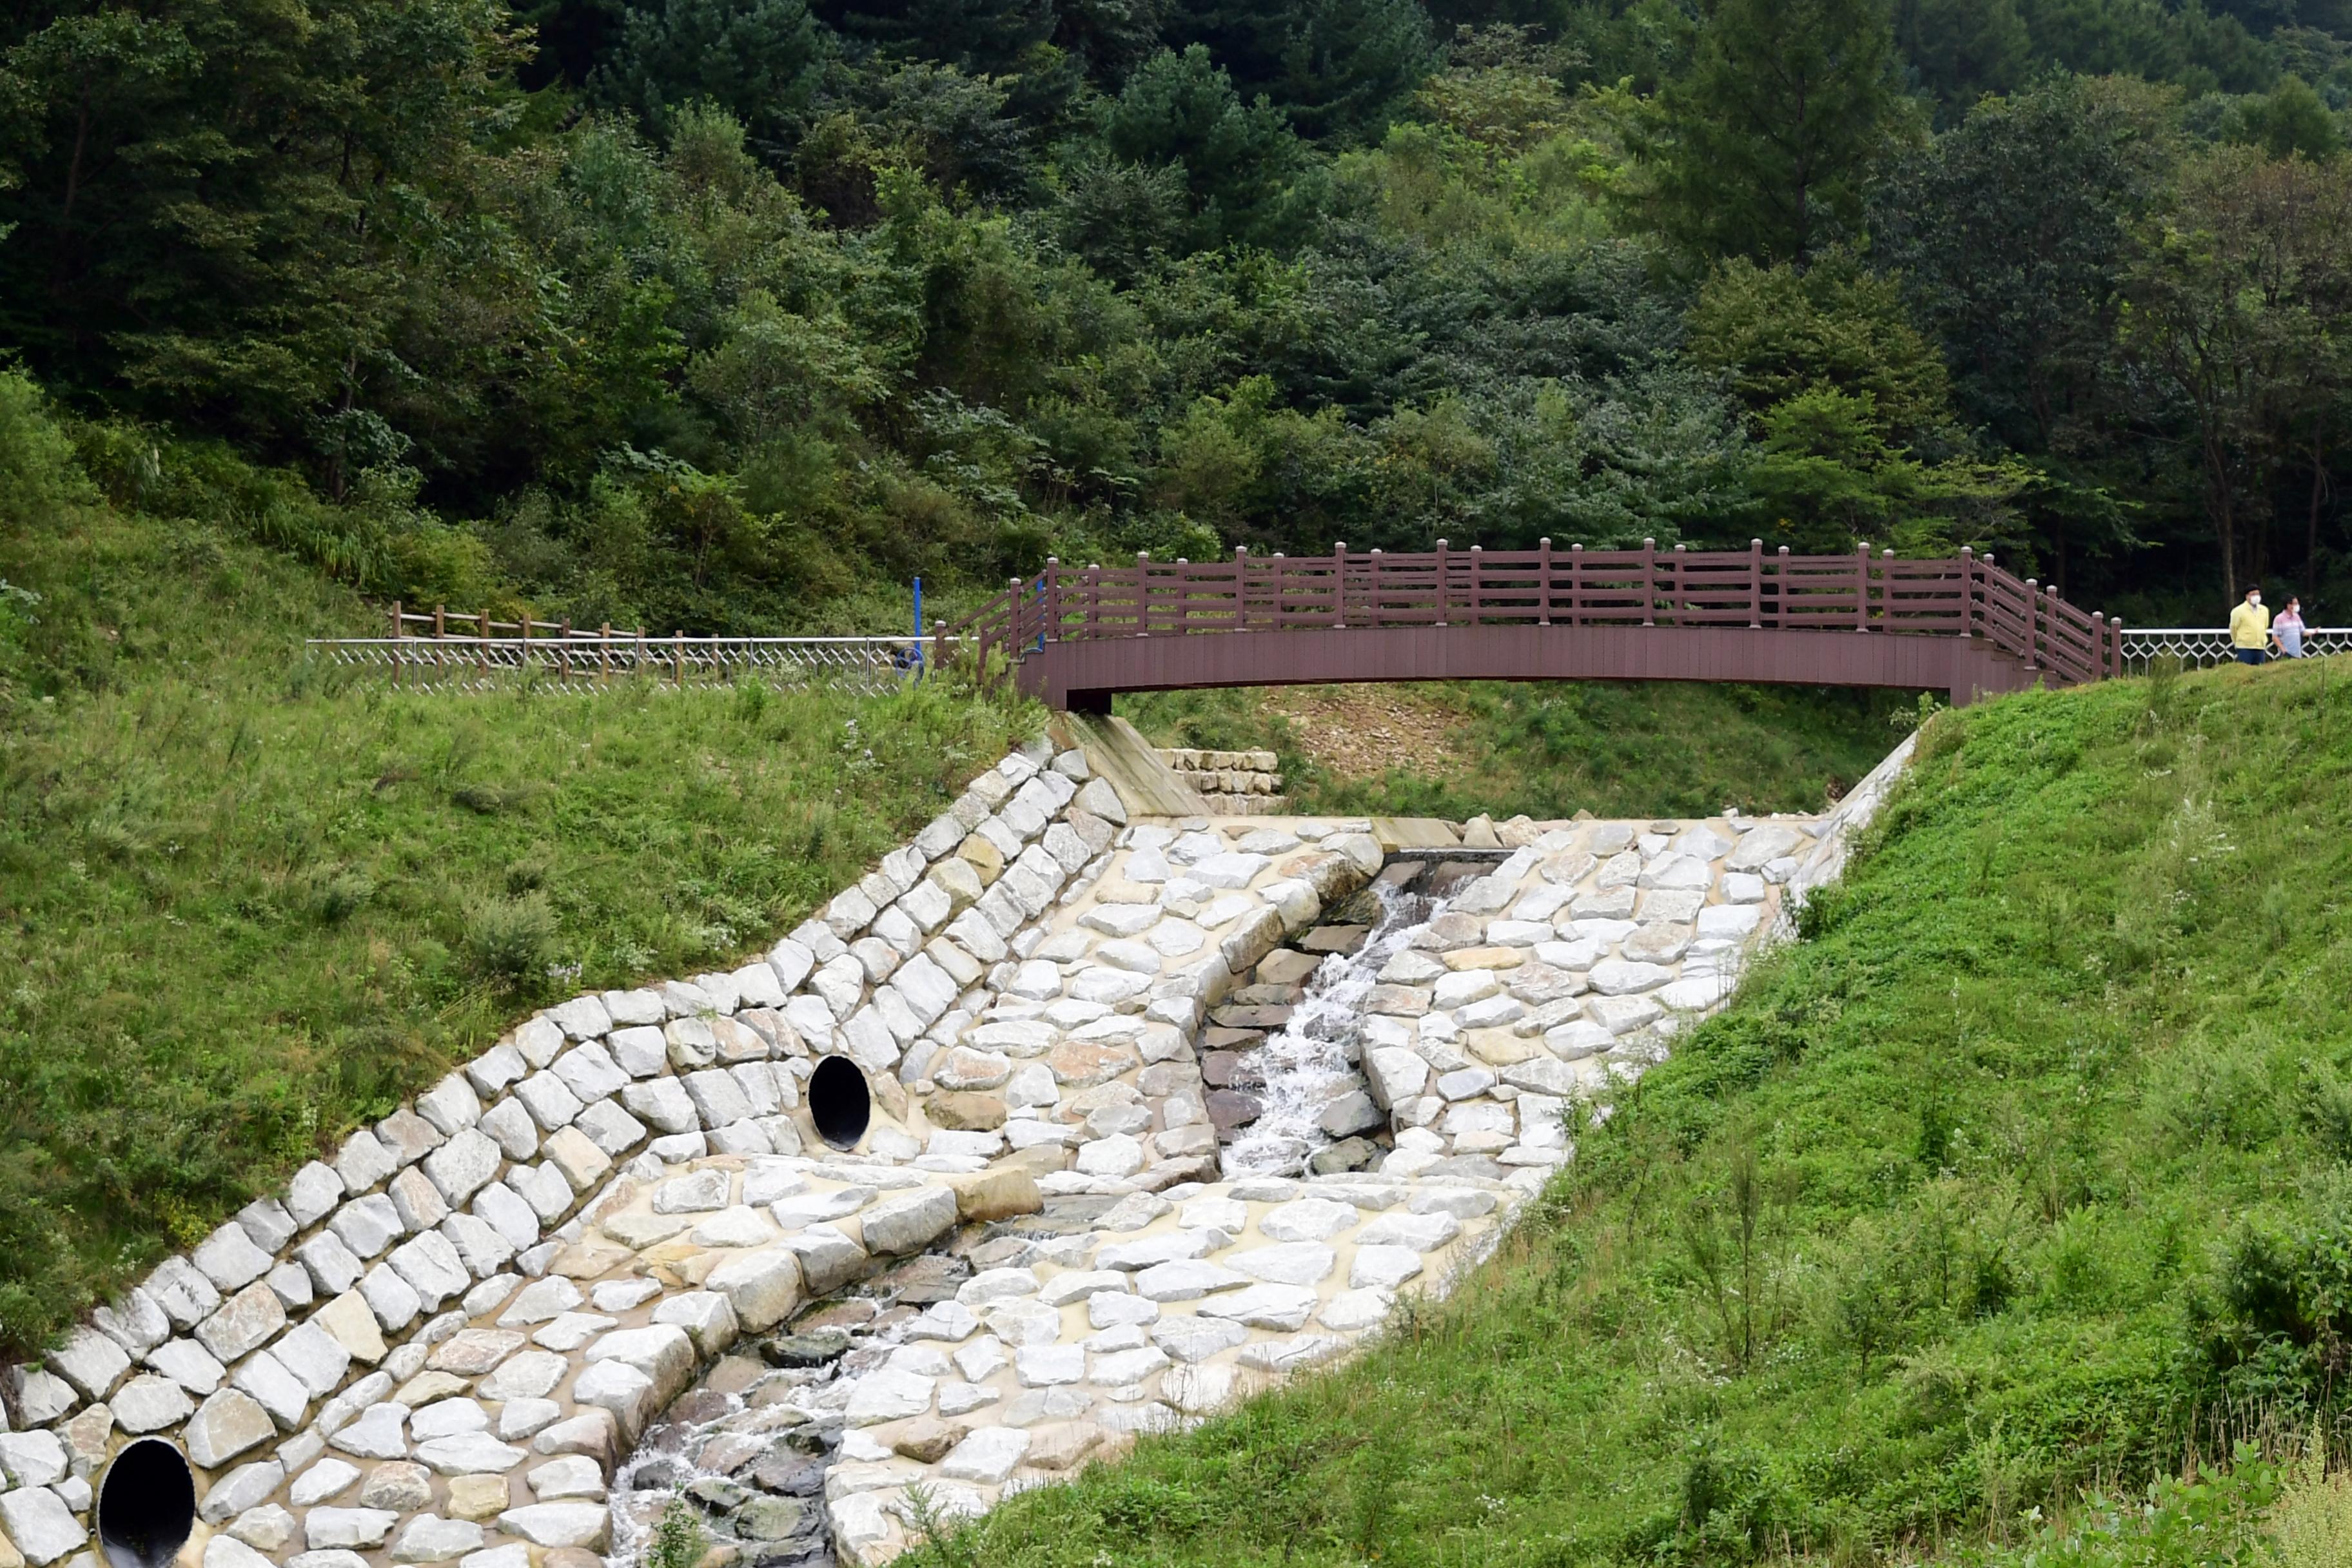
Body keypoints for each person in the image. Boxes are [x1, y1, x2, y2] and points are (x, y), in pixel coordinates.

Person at [2230, 586, 2271, 665]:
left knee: (2260, 673)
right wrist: (2238, 642)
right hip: (2245, 647)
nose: (2256, 596)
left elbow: (2265, 626)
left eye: (2258, 594)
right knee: (2244, 672)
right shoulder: (2238, 611)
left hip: (2260, 646)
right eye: (2253, 594)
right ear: (2247, 596)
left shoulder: (2264, 610)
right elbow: (2234, 629)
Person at [2272, 596, 2308, 660]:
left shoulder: (2297, 617)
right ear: (2289, 605)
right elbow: (2275, 637)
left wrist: (2314, 631)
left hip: (2297, 654)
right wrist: (2283, 649)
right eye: (2295, 604)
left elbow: (2303, 632)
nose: (2297, 606)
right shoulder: (2279, 618)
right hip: (2286, 653)